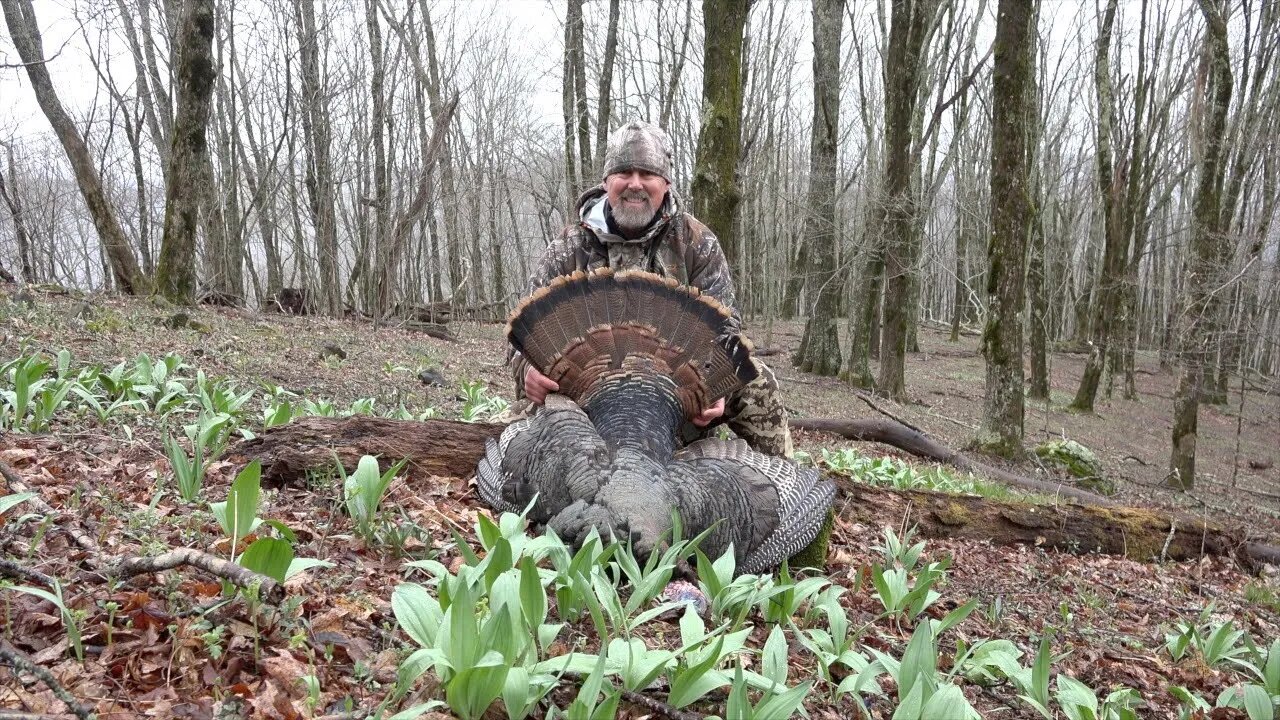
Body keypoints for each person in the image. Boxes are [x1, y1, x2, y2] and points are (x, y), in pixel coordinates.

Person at [508, 120, 793, 458]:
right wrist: (527, 370)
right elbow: (522, 339)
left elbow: (727, 337)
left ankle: (782, 482)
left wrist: (718, 391)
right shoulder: (568, 247)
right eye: (623, 172)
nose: (635, 184)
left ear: (666, 183)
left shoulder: (697, 244)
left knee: (757, 382)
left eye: (647, 174)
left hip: (674, 402)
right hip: (585, 404)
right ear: (605, 182)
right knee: (513, 444)